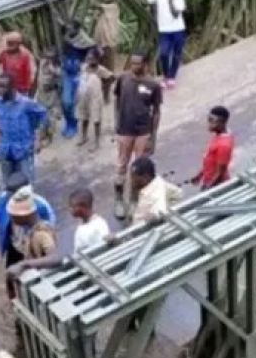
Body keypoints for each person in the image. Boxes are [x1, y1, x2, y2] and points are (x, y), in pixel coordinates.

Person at [0, 171, 54, 299]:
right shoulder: (4, 199)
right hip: (14, 245)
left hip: (32, 247)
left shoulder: (41, 206)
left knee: (35, 279)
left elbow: (49, 227)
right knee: (9, 275)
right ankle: (13, 300)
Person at [113, 51, 162, 220]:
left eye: (137, 63)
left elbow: (156, 111)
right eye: (132, 63)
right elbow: (117, 100)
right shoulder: (123, 79)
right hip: (125, 130)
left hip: (143, 131)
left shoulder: (153, 85)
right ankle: (119, 200)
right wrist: (116, 121)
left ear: (145, 64)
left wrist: (153, 137)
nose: (134, 66)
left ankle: (134, 200)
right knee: (121, 165)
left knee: (139, 168)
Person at [0, 72, 49, 185]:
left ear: (12, 87)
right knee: (7, 184)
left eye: (3, 87)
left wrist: (38, 137)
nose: (0, 90)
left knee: (27, 183)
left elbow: (43, 114)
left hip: (24, 150)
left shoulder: (25, 103)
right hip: (5, 150)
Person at [3, 186, 62, 280]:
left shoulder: (41, 234)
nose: (11, 219)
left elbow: (56, 258)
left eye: (13, 216)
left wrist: (24, 264)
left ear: (24, 216)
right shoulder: (30, 232)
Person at [146, 0, 187, 89]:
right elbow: (147, 0)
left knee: (177, 54)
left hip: (178, 29)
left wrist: (170, 2)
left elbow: (176, 15)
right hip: (164, 31)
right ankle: (166, 75)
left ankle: (171, 77)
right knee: (163, 54)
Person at [77, 48, 113, 151]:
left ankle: (96, 142)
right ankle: (84, 137)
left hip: (95, 98)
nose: (90, 60)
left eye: (92, 58)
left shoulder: (101, 70)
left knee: (96, 119)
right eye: (88, 58)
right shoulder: (83, 67)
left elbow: (111, 77)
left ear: (97, 59)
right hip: (84, 96)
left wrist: (105, 88)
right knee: (84, 116)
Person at [190, 106, 234, 190]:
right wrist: (199, 175)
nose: (208, 124)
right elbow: (210, 160)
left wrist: (208, 189)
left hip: (217, 186)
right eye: (208, 120)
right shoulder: (219, 135)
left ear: (222, 122)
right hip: (209, 182)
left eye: (212, 121)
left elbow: (220, 174)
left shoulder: (224, 145)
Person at [130, 157, 183, 225]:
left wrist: (150, 218)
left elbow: (159, 212)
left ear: (145, 177)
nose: (132, 180)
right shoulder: (155, 181)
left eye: (134, 177)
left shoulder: (155, 196)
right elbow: (178, 193)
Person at [70, 188, 118, 253]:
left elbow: (106, 241)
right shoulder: (80, 227)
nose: (70, 210)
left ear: (83, 207)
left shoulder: (98, 224)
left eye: (73, 206)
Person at [93, 0, 121, 96]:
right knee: (100, 69)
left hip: (109, 44)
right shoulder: (103, 10)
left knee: (108, 70)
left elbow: (94, 4)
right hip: (100, 44)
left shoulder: (113, 7)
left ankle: (106, 94)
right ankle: (103, 93)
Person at [0, 32, 37, 96]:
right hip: (7, 85)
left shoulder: (26, 55)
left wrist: (27, 88)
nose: (9, 46)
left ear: (18, 44)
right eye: (8, 43)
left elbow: (30, 73)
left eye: (11, 44)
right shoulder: (4, 52)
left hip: (22, 88)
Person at [34, 48, 61, 147]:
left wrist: (51, 67)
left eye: (51, 57)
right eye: (47, 56)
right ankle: (41, 136)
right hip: (41, 93)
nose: (48, 59)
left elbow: (59, 75)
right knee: (40, 115)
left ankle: (49, 137)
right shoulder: (42, 63)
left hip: (51, 94)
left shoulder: (56, 68)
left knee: (51, 117)